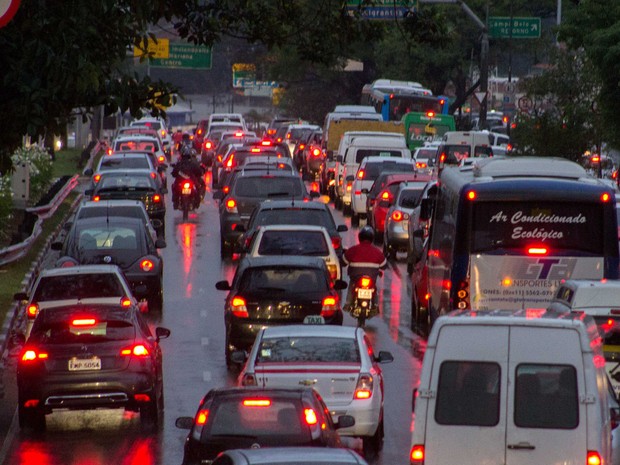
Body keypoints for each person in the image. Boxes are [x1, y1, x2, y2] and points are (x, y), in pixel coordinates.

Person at [343, 226, 387, 311]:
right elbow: (384, 265)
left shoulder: (353, 250)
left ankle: (348, 304)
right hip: (371, 278)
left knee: (351, 285)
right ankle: (376, 306)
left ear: (360, 237)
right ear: (371, 238)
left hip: (355, 278)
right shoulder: (377, 252)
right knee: (374, 288)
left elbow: (343, 262)